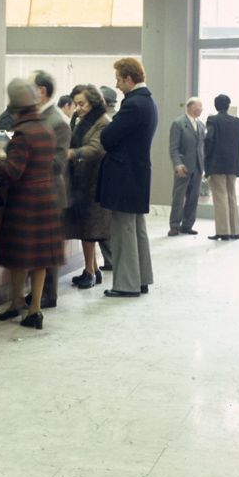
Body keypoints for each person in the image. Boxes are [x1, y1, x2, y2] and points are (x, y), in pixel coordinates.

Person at [0, 79, 64, 329]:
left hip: (24, 202)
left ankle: (16, 303)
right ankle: (34, 309)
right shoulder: (45, 128)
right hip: (46, 198)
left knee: (18, 257)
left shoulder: (22, 133)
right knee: (40, 258)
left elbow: (13, 171)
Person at [97, 57, 158, 299]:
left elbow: (107, 137)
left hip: (124, 174)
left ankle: (126, 284)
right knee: (137, 228)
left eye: (119, 80)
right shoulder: (149, 102)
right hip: (138, 172)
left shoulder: (133, 104)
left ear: (129, 79)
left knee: (123, 230)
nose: (117, 84)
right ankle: (141, 279)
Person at [27, 70, 70, 311]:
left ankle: (47, 295)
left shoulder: (57, 122)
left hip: (50, 193)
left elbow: (57, 164)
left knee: (47, 250)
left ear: (41, 91)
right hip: (34, 193)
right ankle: (36, 292)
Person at [65, 84, 112, 289]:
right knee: (85, 228)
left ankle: (90, 272)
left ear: (93, 102)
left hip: (94, 182)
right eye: (76, 104)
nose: (78, 108)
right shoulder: (81, 119)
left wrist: (72, 154)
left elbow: (95, 148)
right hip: (81, 180)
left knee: (90, 230)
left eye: (82, 104)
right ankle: (91, 269)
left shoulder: (103, 122)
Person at [204, 94, 239, 240]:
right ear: (228, 106)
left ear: (216, 106)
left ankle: (223, 231)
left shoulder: (212, 120)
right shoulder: (238, 122)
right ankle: (235, 231)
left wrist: (206, 159)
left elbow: (209, 140)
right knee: (232, 196)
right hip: (233, 164)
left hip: (217, 164)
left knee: (220, 197)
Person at [167, 97, 205, 236]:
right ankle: (174, 225)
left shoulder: (201, 125)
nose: (201, 109)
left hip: (198, 167)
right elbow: (174, 147)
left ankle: (187, 225)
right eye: (199, 106)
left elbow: (202, 147)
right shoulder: (178, 123)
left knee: (193, 198)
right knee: (179, 197)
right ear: (191, 107)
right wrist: (177, 164)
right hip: (183, 167)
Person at [96, 85, 119, 272]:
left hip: (101, 172)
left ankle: (111, 259)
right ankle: (111, 258)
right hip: (113, 174)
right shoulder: (117, 117)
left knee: (103, 221)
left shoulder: (104, 120)